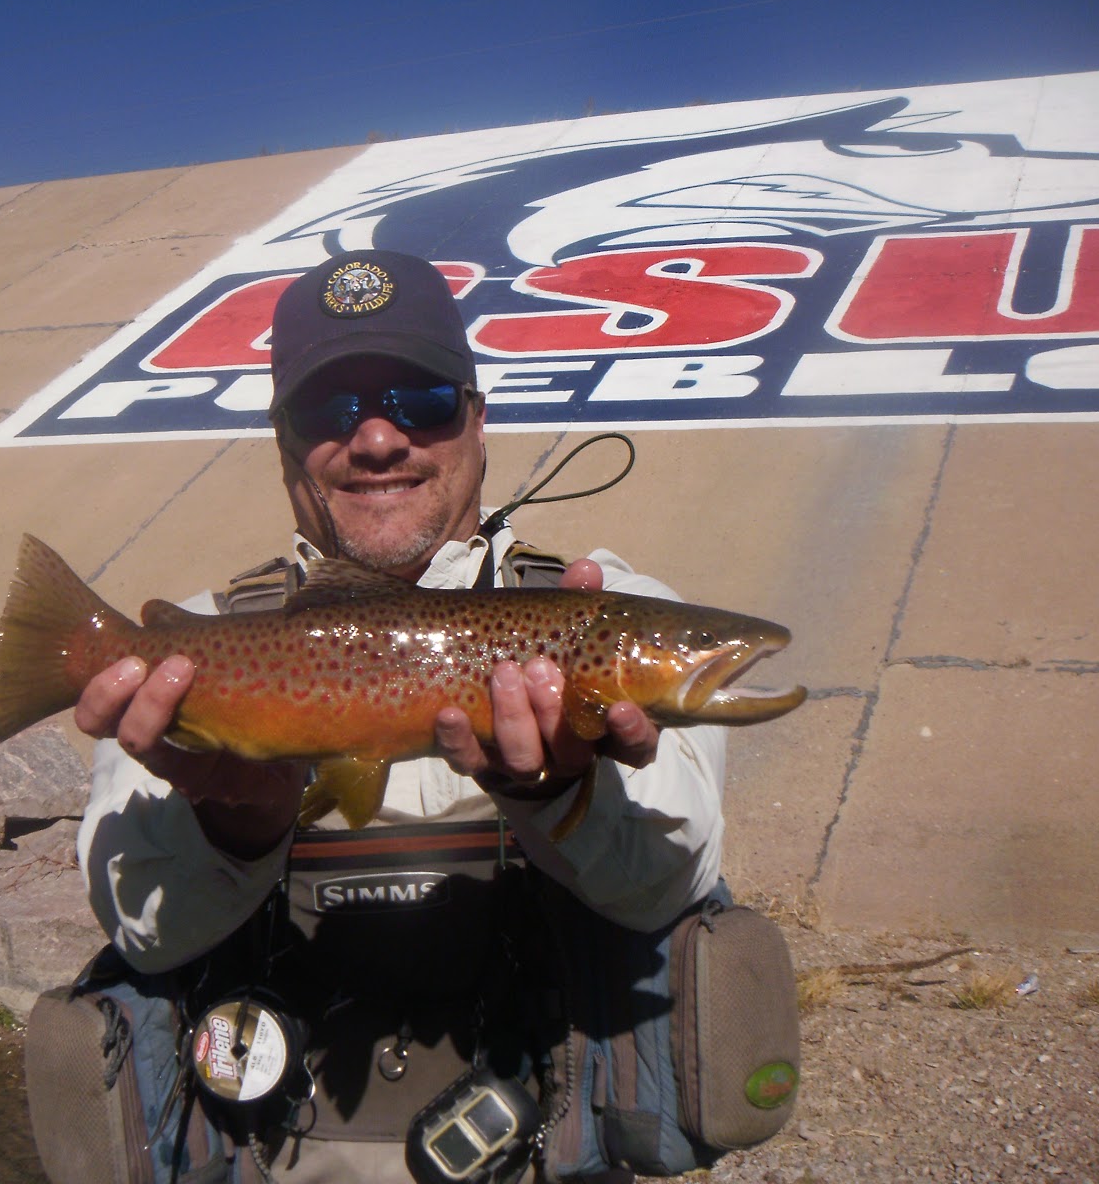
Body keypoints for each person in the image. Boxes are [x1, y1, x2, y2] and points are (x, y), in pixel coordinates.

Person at [67, 250, 727, 1182]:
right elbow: (144, 934)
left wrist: (567, 797)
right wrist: (236, 823)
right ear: (284, 439)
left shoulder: (602, 614)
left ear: (478, 416)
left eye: (419, 401)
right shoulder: (198, 657)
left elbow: (674, 884)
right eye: (329, 411)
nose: (377, 441)